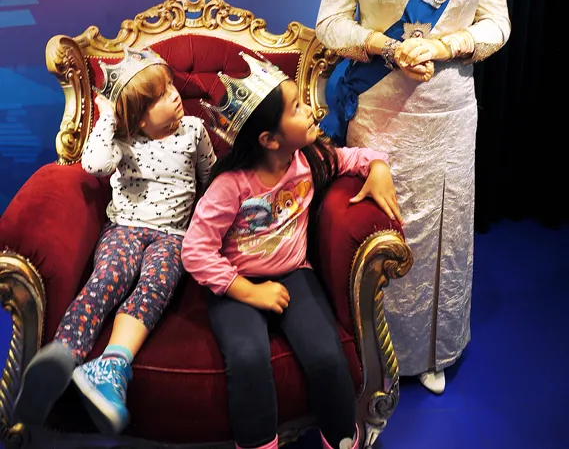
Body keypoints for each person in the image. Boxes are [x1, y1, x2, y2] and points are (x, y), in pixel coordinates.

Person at [315, 0, 511, 395]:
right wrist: (382, 44)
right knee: (381, 227)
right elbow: (328, 24)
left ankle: (434, 350)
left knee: (445, 234)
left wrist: (449, 43)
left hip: (449, 113)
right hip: (379, 114)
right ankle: (374, 345)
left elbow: (498, 24)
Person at [182, 51, 402, 449]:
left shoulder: (311, 160)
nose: (312, 112)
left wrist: (379, 168)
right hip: (237, 283)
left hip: (293, 273)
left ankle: (341, 439)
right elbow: (195, 252)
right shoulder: (230, 187)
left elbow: (357, 158)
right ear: (269, 139)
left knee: (326, 355)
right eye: (299, 108)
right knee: (248, 359)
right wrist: (249, 292)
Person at [14, 46, 215, 435]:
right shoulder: (121, 140)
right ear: (137, 119)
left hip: (174, 236)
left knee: (157, 283)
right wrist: (108, 118)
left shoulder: (194, 130)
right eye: (159, 96)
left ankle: (111, 364)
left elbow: (208, 178)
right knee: (110, 275)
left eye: (171, 86)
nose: (175, 95)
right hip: (124, 227)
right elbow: (94, 166)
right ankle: (62, 353)